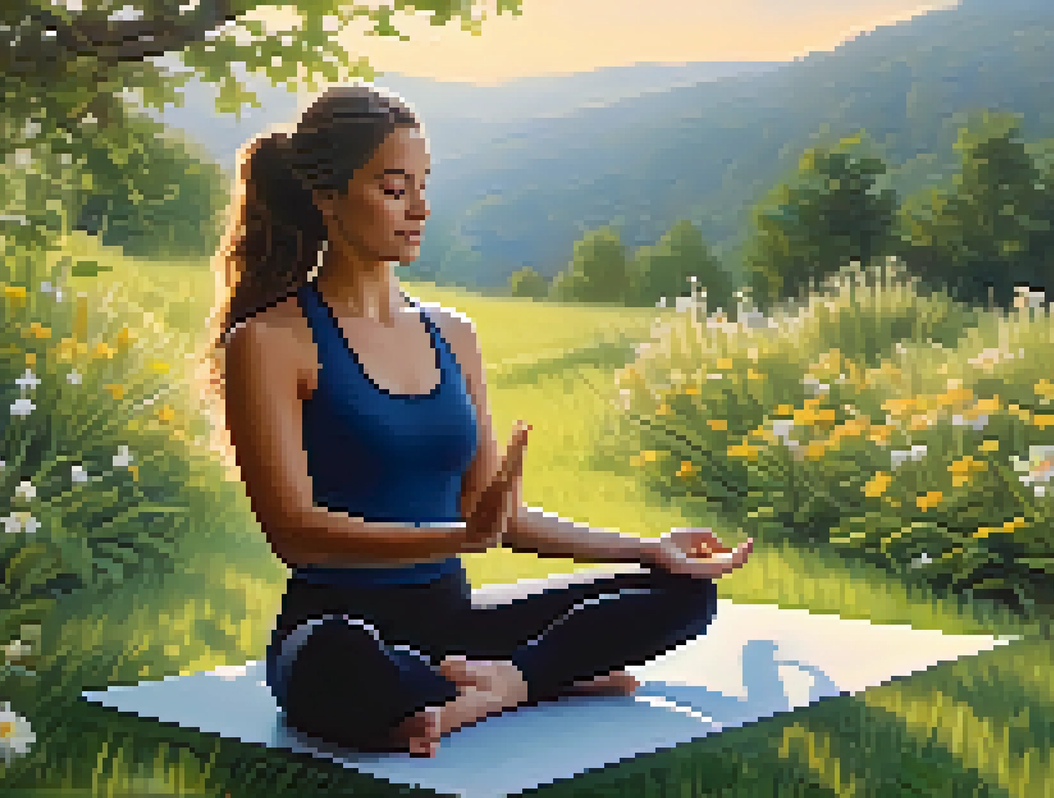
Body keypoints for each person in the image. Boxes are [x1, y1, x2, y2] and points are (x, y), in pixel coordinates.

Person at [201, 84, 754, 758]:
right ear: (327, 197)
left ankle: (502, 685)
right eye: (394, 188)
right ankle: (530, 675)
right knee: (339, 662)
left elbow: (502, 518)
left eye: (423, 186)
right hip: (337, 626)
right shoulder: (270, 340)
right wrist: (458, 537)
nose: (421, 209)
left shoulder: (451, 333)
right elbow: (297, 534)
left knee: (683, 596)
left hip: (455, 621)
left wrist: (645, 548)